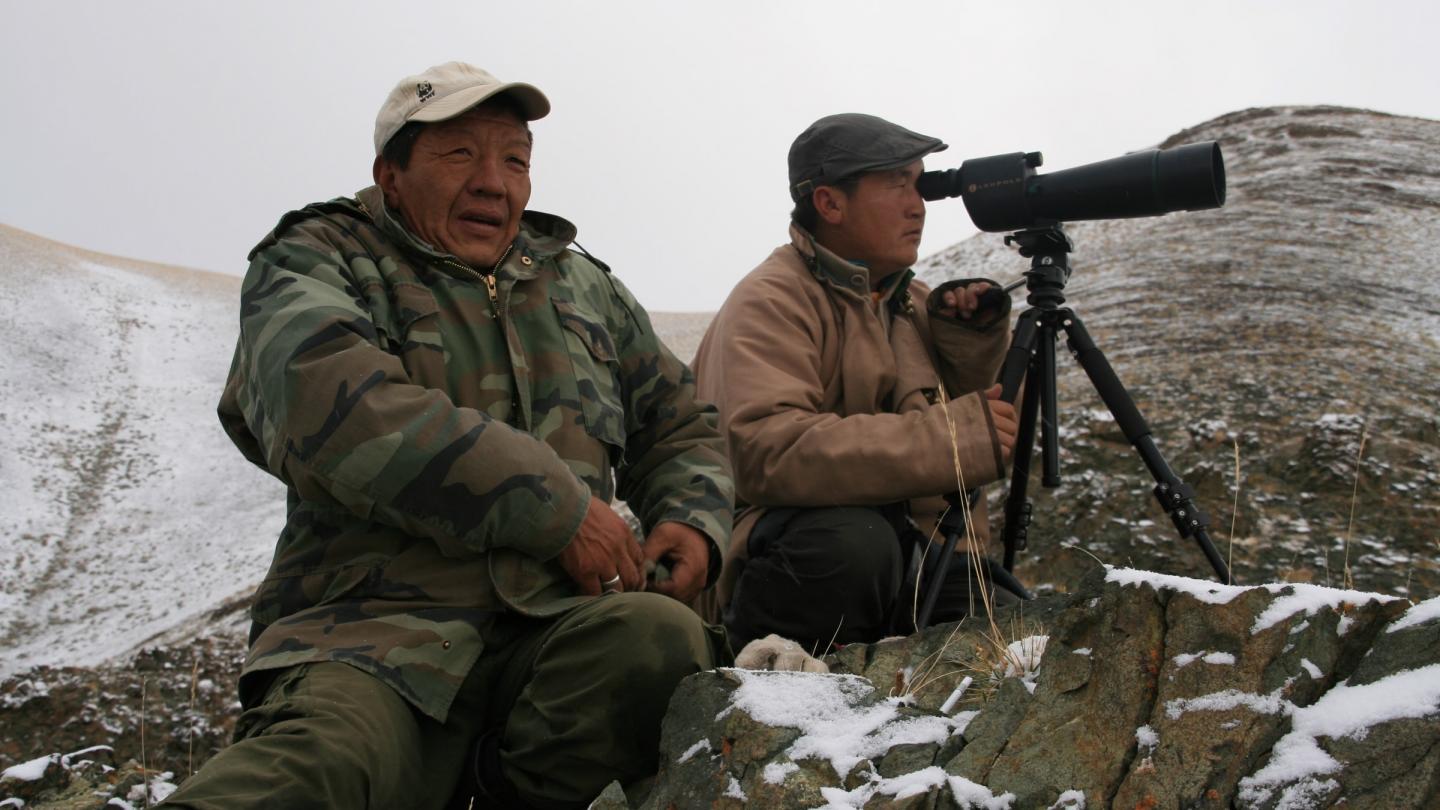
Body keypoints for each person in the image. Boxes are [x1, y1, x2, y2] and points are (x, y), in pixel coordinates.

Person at [162, 62, 734, 810]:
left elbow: (680, 418)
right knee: (319, 769)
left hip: (558, 629)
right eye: (460, 154)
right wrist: (550, 507)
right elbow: (322, 404)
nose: (494, 183)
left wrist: (692, 519)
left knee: (654, 637)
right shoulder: (318, 255)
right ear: (390, 173)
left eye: (515, 160)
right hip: (372, 637)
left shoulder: (581, 285)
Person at [690, 113, 1019, 655]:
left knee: (1009, 628)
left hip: (918, 561)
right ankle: (760, 700)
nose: (918, 205)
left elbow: (1005, 435)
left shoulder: (913, 305)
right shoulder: (771, 299)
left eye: (921, 183)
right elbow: (767, 451)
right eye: (897, 184)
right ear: (830, 204)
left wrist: (973, 348)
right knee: (853, 545)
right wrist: (950, 441)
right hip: (789, 561)